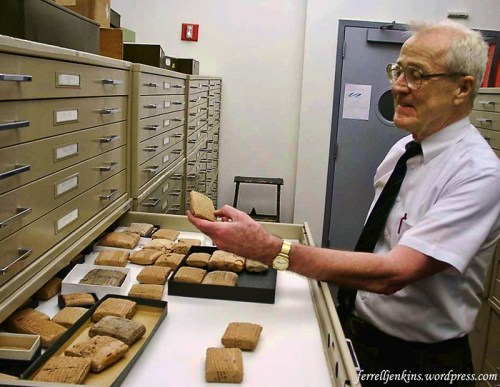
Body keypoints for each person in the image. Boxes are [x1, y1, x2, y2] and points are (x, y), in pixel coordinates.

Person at [188, 20, 500, 386]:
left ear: (462, 88)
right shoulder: (404, 149)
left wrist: (270, 249)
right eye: (398, 70)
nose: (398, 87)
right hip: (358, 329)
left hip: (420, 362)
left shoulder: (479, 174)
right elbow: (381, 243)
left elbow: (393, 274)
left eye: (416, 75)